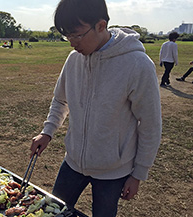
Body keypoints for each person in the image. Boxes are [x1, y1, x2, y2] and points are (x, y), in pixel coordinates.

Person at [29, 0, 162, 216]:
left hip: (114, 171)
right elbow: (60, 100)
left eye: (77, 35)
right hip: (72, 162)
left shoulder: (138, 65)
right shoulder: (73, 60)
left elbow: (150, 124)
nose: (72, 43)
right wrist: (47, 132)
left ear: (101, 26)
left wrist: (138, 174)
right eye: (67, 36)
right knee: (53, 212)